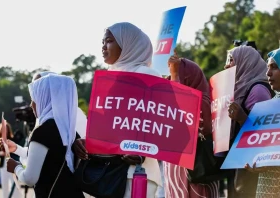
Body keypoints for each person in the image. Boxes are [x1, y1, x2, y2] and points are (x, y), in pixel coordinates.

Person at [74, 22, 162, 198]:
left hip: (136, 173)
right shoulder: (108, 78)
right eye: (103, 42)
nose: (103, 47)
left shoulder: (147, 75)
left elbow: (162, 124)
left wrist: (141, 151)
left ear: (128, 44)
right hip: (107, 171)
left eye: (109, 41)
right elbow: (107, 126)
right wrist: (86, 142)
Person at [6, 74, 84, 198]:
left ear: (46, 98)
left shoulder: (42, 131)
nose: (31, 105)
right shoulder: (70, 131)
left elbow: (30, 178)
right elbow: (50, 158)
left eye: (35, 98)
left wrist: (16, 167)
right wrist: (17, 148)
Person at [163, 53, 219, 198]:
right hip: (176, 173)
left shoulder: (204, 102)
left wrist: (175, 78)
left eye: (178, 78)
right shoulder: (169, 100)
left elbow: (184, 115)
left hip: (197, 174)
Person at [224, 46, 274, 198]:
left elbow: (264, 131)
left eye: (231, 60)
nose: (227, 65)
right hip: (241, 161)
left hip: (253, 165)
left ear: (244, 62)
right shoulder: (240, 88)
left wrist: (241, 118)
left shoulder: (258, 90)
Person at [244, 48, 280, 198]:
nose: (268, 73)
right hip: (268, 185)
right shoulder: (269, 105)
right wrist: (257, 161)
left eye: (275, 67)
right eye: (268, 68)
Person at [0, 122, 22, 198]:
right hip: (3, 166)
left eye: (6, 129)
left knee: (14, 184)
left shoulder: (12, 139)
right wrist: (0, 153)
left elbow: (19, 138)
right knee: (5, 185)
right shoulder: (0, 140)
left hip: (11, 164)